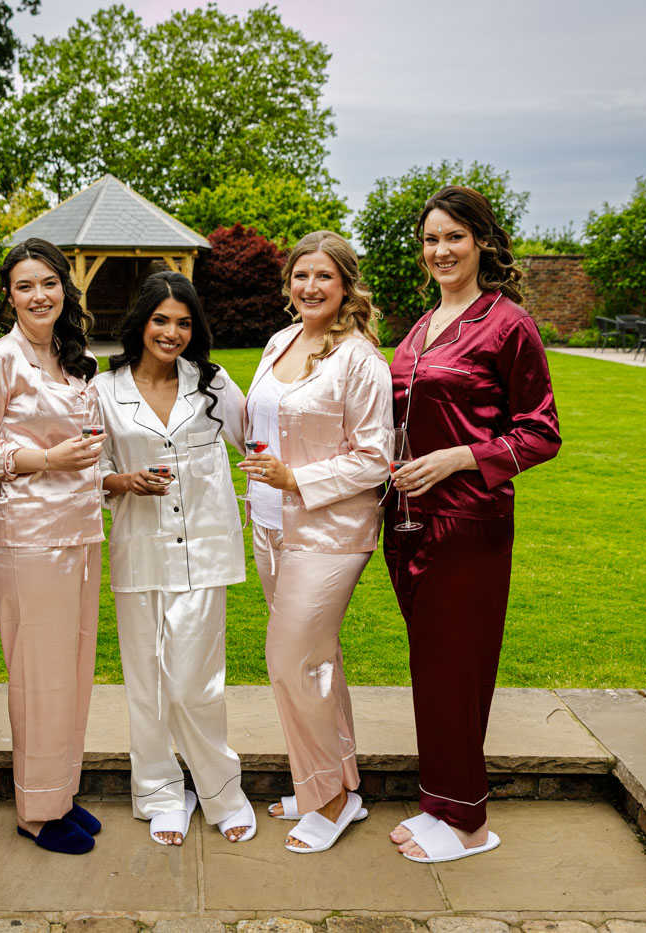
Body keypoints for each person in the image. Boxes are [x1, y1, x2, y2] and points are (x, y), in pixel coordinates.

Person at [384, 185, 560, 864]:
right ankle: (441, 802)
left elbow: (541, 432)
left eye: (454, 236)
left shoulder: (507, 323)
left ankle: (470, 825)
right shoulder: (423, 323)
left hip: (468, 522)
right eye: (431, 238)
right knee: (431, 668)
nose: (441, 250)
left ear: (482, 240)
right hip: (406, 523)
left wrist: (462, 456)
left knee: (458, 669)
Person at [0, 236, 105, 855]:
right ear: (8, 296)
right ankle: (35, 812)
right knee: (38, 676)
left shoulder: (73, 357)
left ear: (65, 288)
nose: (39, 295)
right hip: (29, 539)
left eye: (48, 283)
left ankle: (59, 793)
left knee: (72, 672)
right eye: (24, 285)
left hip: (82, 533)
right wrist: (42, 458)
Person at [239, 230, 392, 854]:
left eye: (324, 277)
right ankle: (337, 784)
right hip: (271, 525)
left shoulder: (361, 360)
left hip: (330, 531)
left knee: (290, 660)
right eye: (301, 275)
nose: (310, 287)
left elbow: (377, 456)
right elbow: (257, 422)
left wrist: (297, 477)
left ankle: (326, 799)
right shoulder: (281, 341)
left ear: (346, 284)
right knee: (318, 661)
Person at [93, 271, 255, 846]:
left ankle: (221, 791)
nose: (173, 332)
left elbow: (257, 443)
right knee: (146, 682)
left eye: (184, 322)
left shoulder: (212, 382)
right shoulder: (103, 389)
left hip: (205, 551)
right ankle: (160, 792)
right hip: (138, 551)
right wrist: (122, 479)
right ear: (140, 323)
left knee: (194, 683)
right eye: (161, 320)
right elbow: (90, 473)